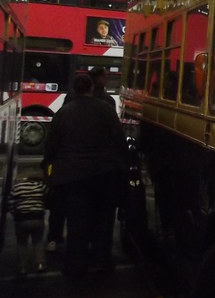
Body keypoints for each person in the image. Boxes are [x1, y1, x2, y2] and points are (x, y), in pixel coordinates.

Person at [44, 72, 128, 279]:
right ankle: (103, 262)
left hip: (73, 177)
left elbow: (51, 147)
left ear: (74, 89)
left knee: (76, 224)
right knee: (103, 221)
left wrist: (48, 169)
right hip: (104, 175)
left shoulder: (63, 113)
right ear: (90, 88)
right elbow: (120, 142)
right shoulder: (106, 110)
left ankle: (76, 265)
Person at [8, 164, 48, 276]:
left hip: (21, 219)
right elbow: (48, 196)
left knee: (22, 243)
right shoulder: (40, 186)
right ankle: (40, 264)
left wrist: (15, 213)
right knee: (38, 241)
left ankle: (22, 268)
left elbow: (10, 202)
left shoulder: (17, 187)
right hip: (37, 217)